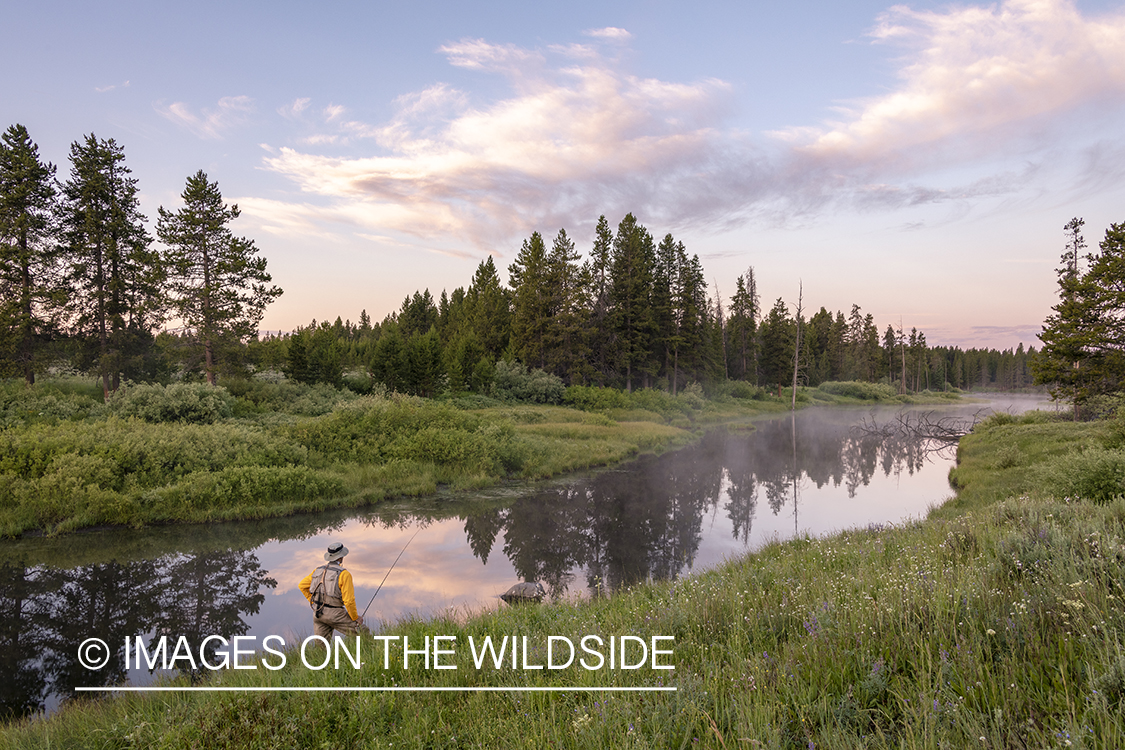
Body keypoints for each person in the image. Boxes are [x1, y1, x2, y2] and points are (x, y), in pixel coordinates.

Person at [299, 541, 363, 637]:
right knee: (363, 633)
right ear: (341, 557)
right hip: (335, 614)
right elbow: (349, 601)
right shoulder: (344, 574)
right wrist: (355, 618)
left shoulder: (318, 570)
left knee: (321, 648)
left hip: (317, 613)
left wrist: (313, 602)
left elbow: (302, 586)